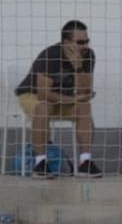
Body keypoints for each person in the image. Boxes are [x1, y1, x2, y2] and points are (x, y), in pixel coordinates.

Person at [15, 20, 102, 179]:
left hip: (62, 98)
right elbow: (43, 94)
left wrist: (78, 67)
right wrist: (74, 98)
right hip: (32, 94)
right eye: (80, 42)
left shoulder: (88, 55)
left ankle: (85, 162)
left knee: (84, 107)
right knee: (43, 106)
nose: (85, 46)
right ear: (66, 43)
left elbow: (84, 92)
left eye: (87, 41)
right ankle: (40, 163)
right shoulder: (51, 55)